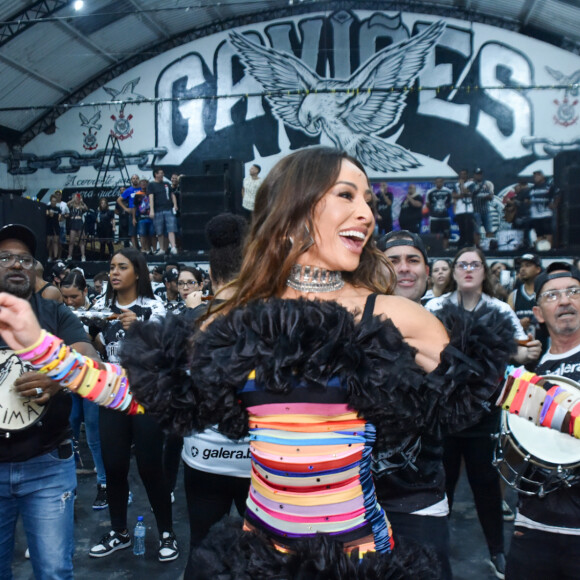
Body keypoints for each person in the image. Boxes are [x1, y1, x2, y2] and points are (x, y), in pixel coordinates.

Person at [0, 149, 518, 579]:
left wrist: (569, 414)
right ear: (294, 210)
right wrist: (42, 348)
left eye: (368, 199)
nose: (367, 211)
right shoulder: (237, 320)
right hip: (260, 559)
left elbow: (506, 388)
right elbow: (138, 391)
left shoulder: (392, 315)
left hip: (360, 559)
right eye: (347, 194)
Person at [426, 247, 542, 579]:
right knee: (441, 488)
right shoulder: (434, 307)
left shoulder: (500, 309)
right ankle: (437, 553)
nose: (467, 269)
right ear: (453, 271)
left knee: (487, 487)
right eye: (461, 264)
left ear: (484, 271)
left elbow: (521, 352)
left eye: (474, 264)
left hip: (485, 413)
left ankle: (496, 552)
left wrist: (527, 353)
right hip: (445, 413)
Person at [0, 224, 99, 580]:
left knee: (54, 572)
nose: (16, 265)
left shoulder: (54, 314)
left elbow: (90, 355)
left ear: (34, 268)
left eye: (24, 259)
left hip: (47, 466)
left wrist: (58, 377)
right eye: (5, 257)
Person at [88, 248, 178, 562]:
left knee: (150, 466)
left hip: (146, 394)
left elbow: (169, 352)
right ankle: (119, 532)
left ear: (137, 272)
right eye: (111, 266)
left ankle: (167, 532)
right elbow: (91, 341)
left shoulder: (154, 307)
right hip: (111, 394)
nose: (114, 272)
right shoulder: (100, 306)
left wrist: (138, 329)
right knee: (113, 466)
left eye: (121, 267)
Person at [377, 234, 454, 580]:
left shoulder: (449, 330)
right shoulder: (348, 325)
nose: (404, 268)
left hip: (420, 499)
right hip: (351, 502)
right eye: (393, 260)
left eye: (413, 259)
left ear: (427, 270)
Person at [504, 262, 580, 580]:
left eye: (574, 292)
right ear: (537, 313)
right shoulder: (528, 376)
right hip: (534, 524)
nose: (564, 301)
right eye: (553, 295)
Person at [60, 271, 108, 510]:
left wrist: (93, 335)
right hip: (68, 378)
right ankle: (70, 487)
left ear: (85, 291)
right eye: (65, 297)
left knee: (93, 435)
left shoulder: (98, 311)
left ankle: (104, 485)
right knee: (68, 433)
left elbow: (103, 348)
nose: (70, 302)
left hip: (91, 378)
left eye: (74, 296)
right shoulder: (59, 312)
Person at [378, 230, 429, 303]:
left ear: (427, 272)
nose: (404, 268)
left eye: (413, 261)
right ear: (377, 273)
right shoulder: (359, 313)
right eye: (392, 262)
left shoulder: (440, 313)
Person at [525, 170, 559, 249]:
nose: (536, 177)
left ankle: (549, 248)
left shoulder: (549, 187)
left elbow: (558, 194)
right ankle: (541, 249)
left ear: (543, 177)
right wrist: (528, 202)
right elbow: (526, 200)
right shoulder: (532, 189)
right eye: (535, 176)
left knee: (548, 232)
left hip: (546, 214)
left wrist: (554, 204)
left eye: (538, 175)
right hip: (535, 216)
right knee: (539, 233)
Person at [148, 168, 179, 255]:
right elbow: (151, 197)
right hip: (157, 210)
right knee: (159, 231)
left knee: (171, 228)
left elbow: (172, 195)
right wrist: (152, 210)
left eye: (163, 173)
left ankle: (173, 247)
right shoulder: (151, 185)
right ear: (156, 174)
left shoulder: (167, 184)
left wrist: (175, 205)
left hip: (168, 209)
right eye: (160, 173)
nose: (162, 175)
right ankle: (162, 248)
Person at [466, 168, 494, 242]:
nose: (478, 176)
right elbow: (468, 196)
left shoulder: (488, 184)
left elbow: (491, 196)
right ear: (474, 175)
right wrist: (475, 194)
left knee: (489, 230)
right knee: (476, 231)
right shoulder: (471, 185)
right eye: (477, 174)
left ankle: (488, 245)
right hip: (475, 211)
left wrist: (487, 197)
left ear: (482, 175)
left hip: (486, 210)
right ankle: (477, 246)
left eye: (480, 174)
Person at [426, 178, 453, 249]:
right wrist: (435, 209)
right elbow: (427, 204)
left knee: (446, 235)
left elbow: (450, 203)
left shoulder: (448, 191)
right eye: (437, 182)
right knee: (433, 235)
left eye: (440, 182)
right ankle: (434, 250)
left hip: (445, 218)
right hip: (434, 218)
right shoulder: (430, 192)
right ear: (435, 183)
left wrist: (444, 207)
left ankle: (445, 250)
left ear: (443, 182)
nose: (439, 183)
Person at [116, 174, 141, 250]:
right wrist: (126, 209)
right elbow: (119, 200)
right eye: (133, 178)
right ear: (131, 180)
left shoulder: (141, 189)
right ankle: (135, 250)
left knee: (142, 233)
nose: (135, 179)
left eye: (136, 178)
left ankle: (144, 249)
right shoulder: (128, 190)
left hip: (142, 213)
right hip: (132, 214)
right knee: (133, 234)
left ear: (138, 179)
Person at [453, 169, 476, 248]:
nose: (462, 176)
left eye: (464, 174)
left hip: (469, 209)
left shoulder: (471, 183)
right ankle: (461, 243)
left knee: (469, 228)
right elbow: (453, 195)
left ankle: (470, 243)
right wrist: (461, 195)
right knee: (461, 227)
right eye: (461, 174)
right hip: (460, 210)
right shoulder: (456, 185)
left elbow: (468, 193)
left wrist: (462, 185)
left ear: (467, 175)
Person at [67, 192, 88, 262]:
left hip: (79, 222)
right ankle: (69, 256)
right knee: (71, 241)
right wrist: (73, 200)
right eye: (76, 197)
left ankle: (83, 256)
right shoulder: (72, 205)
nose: (77, 199)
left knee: (81, 241)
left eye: (78, 197)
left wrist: (82, 202)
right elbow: (67, 204)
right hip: (73, 222)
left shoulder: (81, 206)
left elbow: (86, 208)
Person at [46, 194, 62, 262]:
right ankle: (49, 256)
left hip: (56, 226)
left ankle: (55, 257)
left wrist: (59, 216)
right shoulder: (47, 207)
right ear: (50, 201)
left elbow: (59, 218)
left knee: (55, 242)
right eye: (52, 201)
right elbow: (47, 214)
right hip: (49, 226)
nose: (54, 202)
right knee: (49, 242)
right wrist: (50, 214)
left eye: (55, 201)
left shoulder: (58, 209)